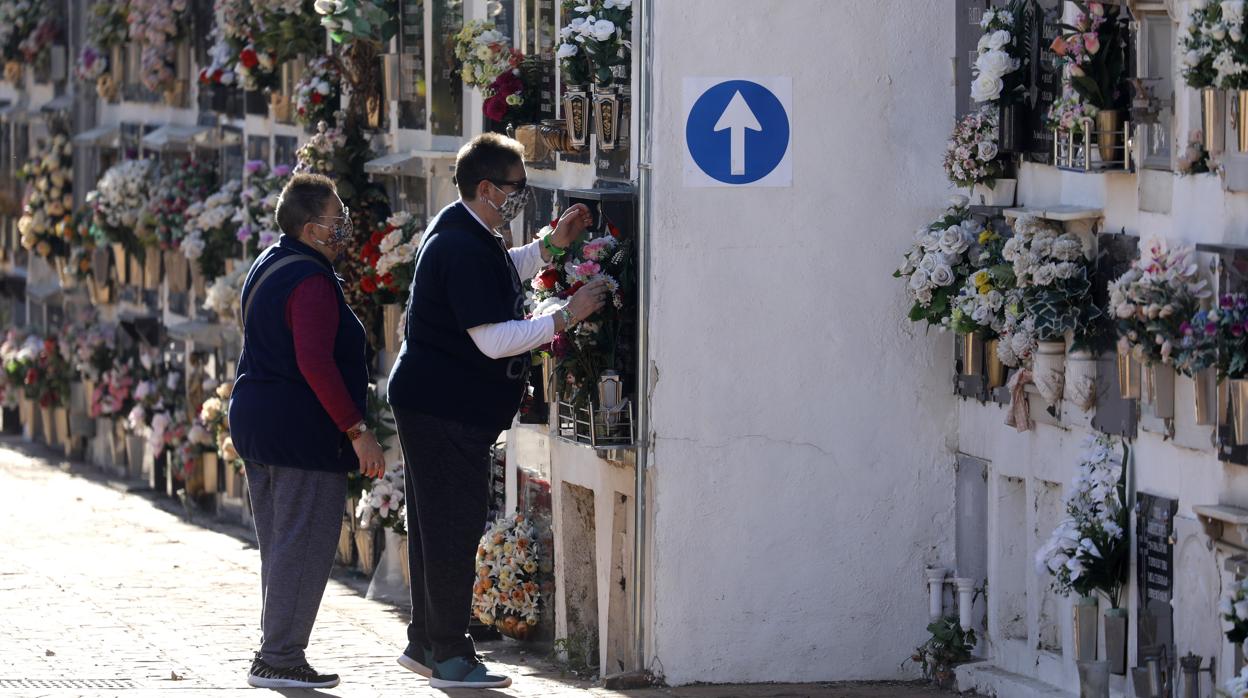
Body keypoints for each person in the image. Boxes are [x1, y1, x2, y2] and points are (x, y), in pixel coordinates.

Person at [387, 133, 608, 689]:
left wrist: (550, 248)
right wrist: (567, 314)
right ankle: (452, 656)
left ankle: (424, 643)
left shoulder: (468, 229)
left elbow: (501, 269)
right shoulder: (461, 245)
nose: (521, 199)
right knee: (452, 531)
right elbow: (492, 338)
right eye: (515, 189)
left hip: (437, 403)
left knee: (438, 526)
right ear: (486, 188)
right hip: (443, 408)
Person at [229, 173, 387, 689]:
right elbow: (316, 362)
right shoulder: (311, 281)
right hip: (301, 430)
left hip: (261, 421)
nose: (343, 227)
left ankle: (275, 650)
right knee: (305, 543)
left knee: (282, 542)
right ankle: (278, 656)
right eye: (336, 220)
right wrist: (357, 430)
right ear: (310, 228)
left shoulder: (270, 262)